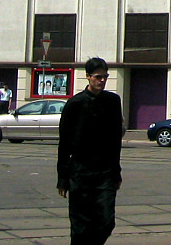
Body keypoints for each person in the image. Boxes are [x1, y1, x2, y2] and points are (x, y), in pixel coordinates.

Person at [57, 57, 126, 245]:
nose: (102, 81)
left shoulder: (113, 101)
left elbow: (115, 141)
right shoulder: (75, 104)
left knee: (106, 222)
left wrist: (116, 172)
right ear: (88, 76)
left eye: (105, 77)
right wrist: (62, 177)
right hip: (80, 172)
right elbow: (64, 143)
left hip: (105, 173)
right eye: (98, 77)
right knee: (80, 226)